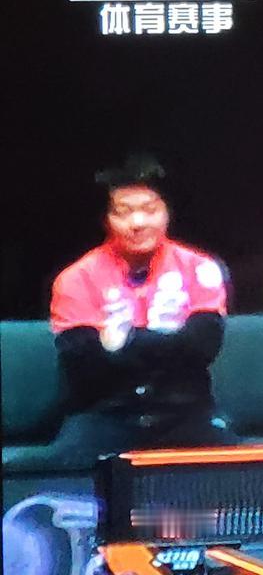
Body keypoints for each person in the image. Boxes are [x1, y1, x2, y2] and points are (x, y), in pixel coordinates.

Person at [21, 154, 238, 472]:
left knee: (241, 473)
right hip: (104, 415)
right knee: (58, 472)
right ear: (106, 219)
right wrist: (167, 343)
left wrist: (124, 341)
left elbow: (201, 347)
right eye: (123, 212)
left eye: (150, 210)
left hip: (185, 413)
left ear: (168, 211)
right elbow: (84, 362)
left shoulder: (200, 268)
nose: (138, 223)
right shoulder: (75, 278)